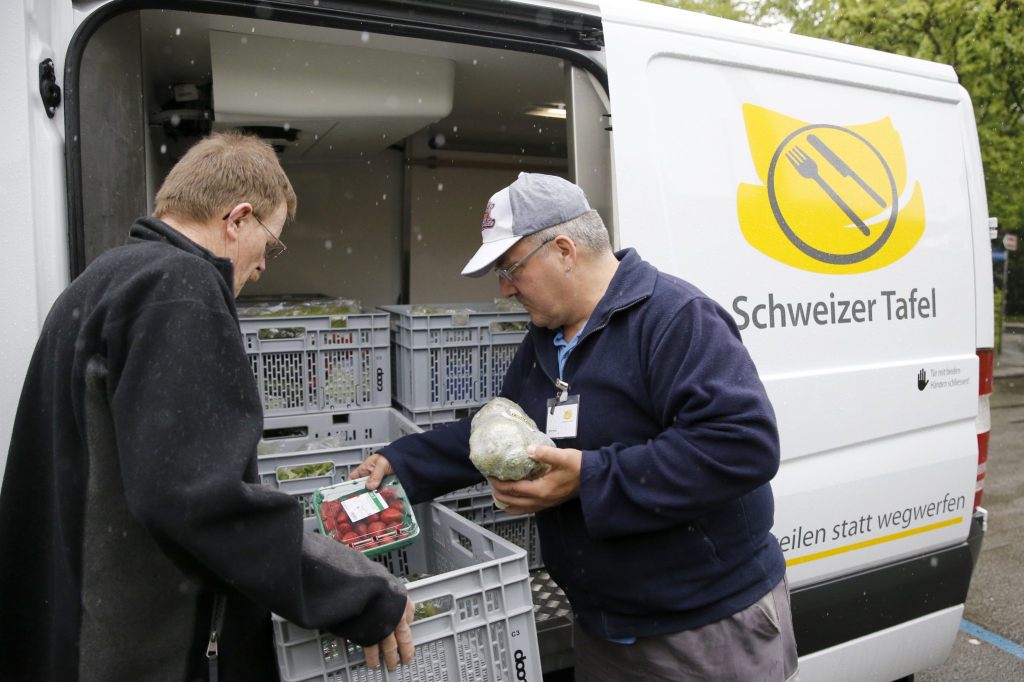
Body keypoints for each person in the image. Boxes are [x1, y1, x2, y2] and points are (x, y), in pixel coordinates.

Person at [0, 131, 413, 682]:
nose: (264, 264)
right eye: (270, 240)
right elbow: (198, 500)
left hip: (67, 635)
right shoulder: (180, 287)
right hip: (136, 655)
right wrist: (362, 596)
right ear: (237, 219)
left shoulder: (100, 281)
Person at [354, 173, 799, 681]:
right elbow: (503, 431)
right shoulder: (546, 339)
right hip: (602, 628)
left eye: (510, 267)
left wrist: (590, 478)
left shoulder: (677, 319)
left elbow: (743, 445)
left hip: (704, 626)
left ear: (564, 249)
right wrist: (402, 462)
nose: (504, 289)